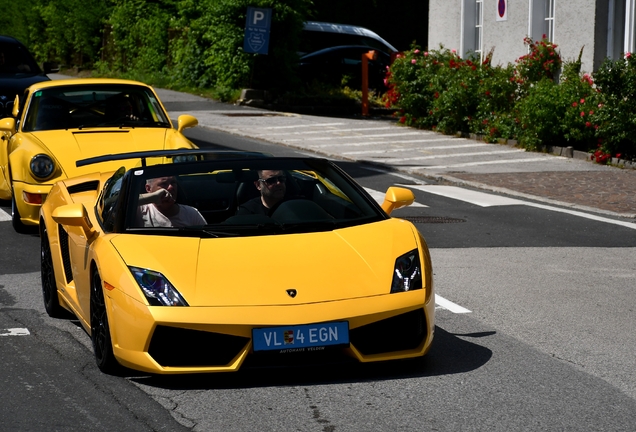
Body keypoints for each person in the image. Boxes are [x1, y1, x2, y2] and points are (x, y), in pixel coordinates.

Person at [137, 176, 206, 227]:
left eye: (173, 183)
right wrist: (152, 197)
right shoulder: (139, 210)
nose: (171, 187)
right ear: (149, 188)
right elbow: (126, 200)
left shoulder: (191, 214)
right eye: (164, 184)